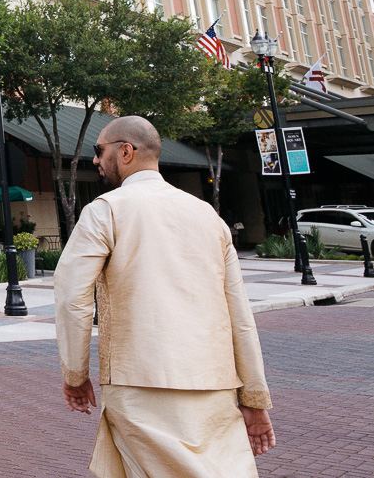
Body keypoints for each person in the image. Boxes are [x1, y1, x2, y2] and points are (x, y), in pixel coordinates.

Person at [55, 115, 274, 478]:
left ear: (125, 151)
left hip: (139, 382)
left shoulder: (105, 210)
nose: (96, 160)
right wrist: (253, 398)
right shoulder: (209, 216)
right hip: (214, 385)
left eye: (99, 151)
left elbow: (72, 298)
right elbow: (240, 316)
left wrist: (75, 374)